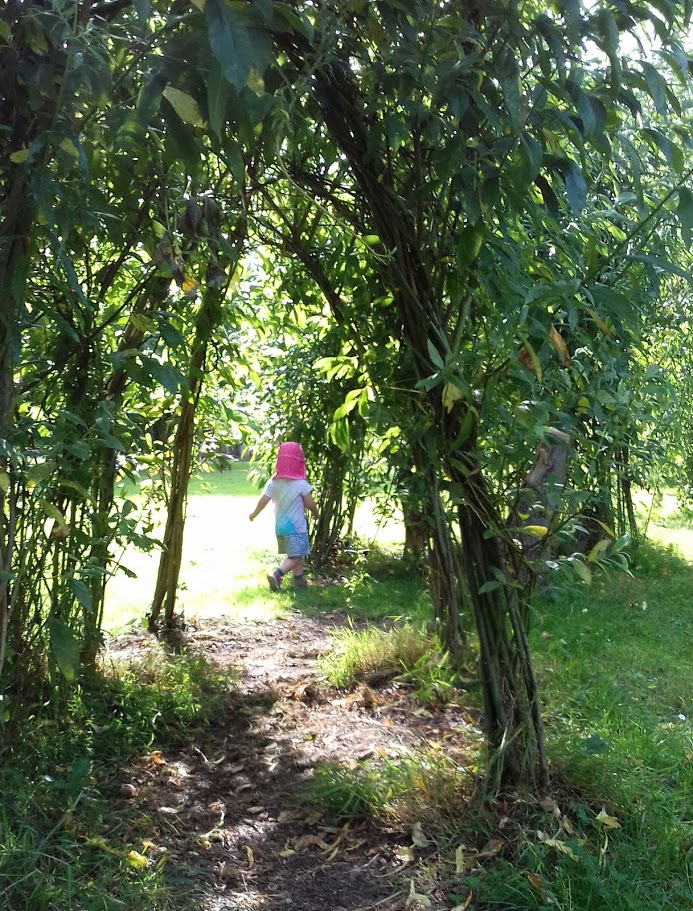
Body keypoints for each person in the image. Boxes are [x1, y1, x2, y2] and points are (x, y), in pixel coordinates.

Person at [248, 442, 319, 591]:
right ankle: (277, 574)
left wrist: (254, 514)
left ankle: (299, 581)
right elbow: (310, 503)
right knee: (297, 555)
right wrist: (315, 513)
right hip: (296, 527)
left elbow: (263, 501)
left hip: (280, 527)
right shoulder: (301, 484)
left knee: (294, 554)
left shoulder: (273, 482)